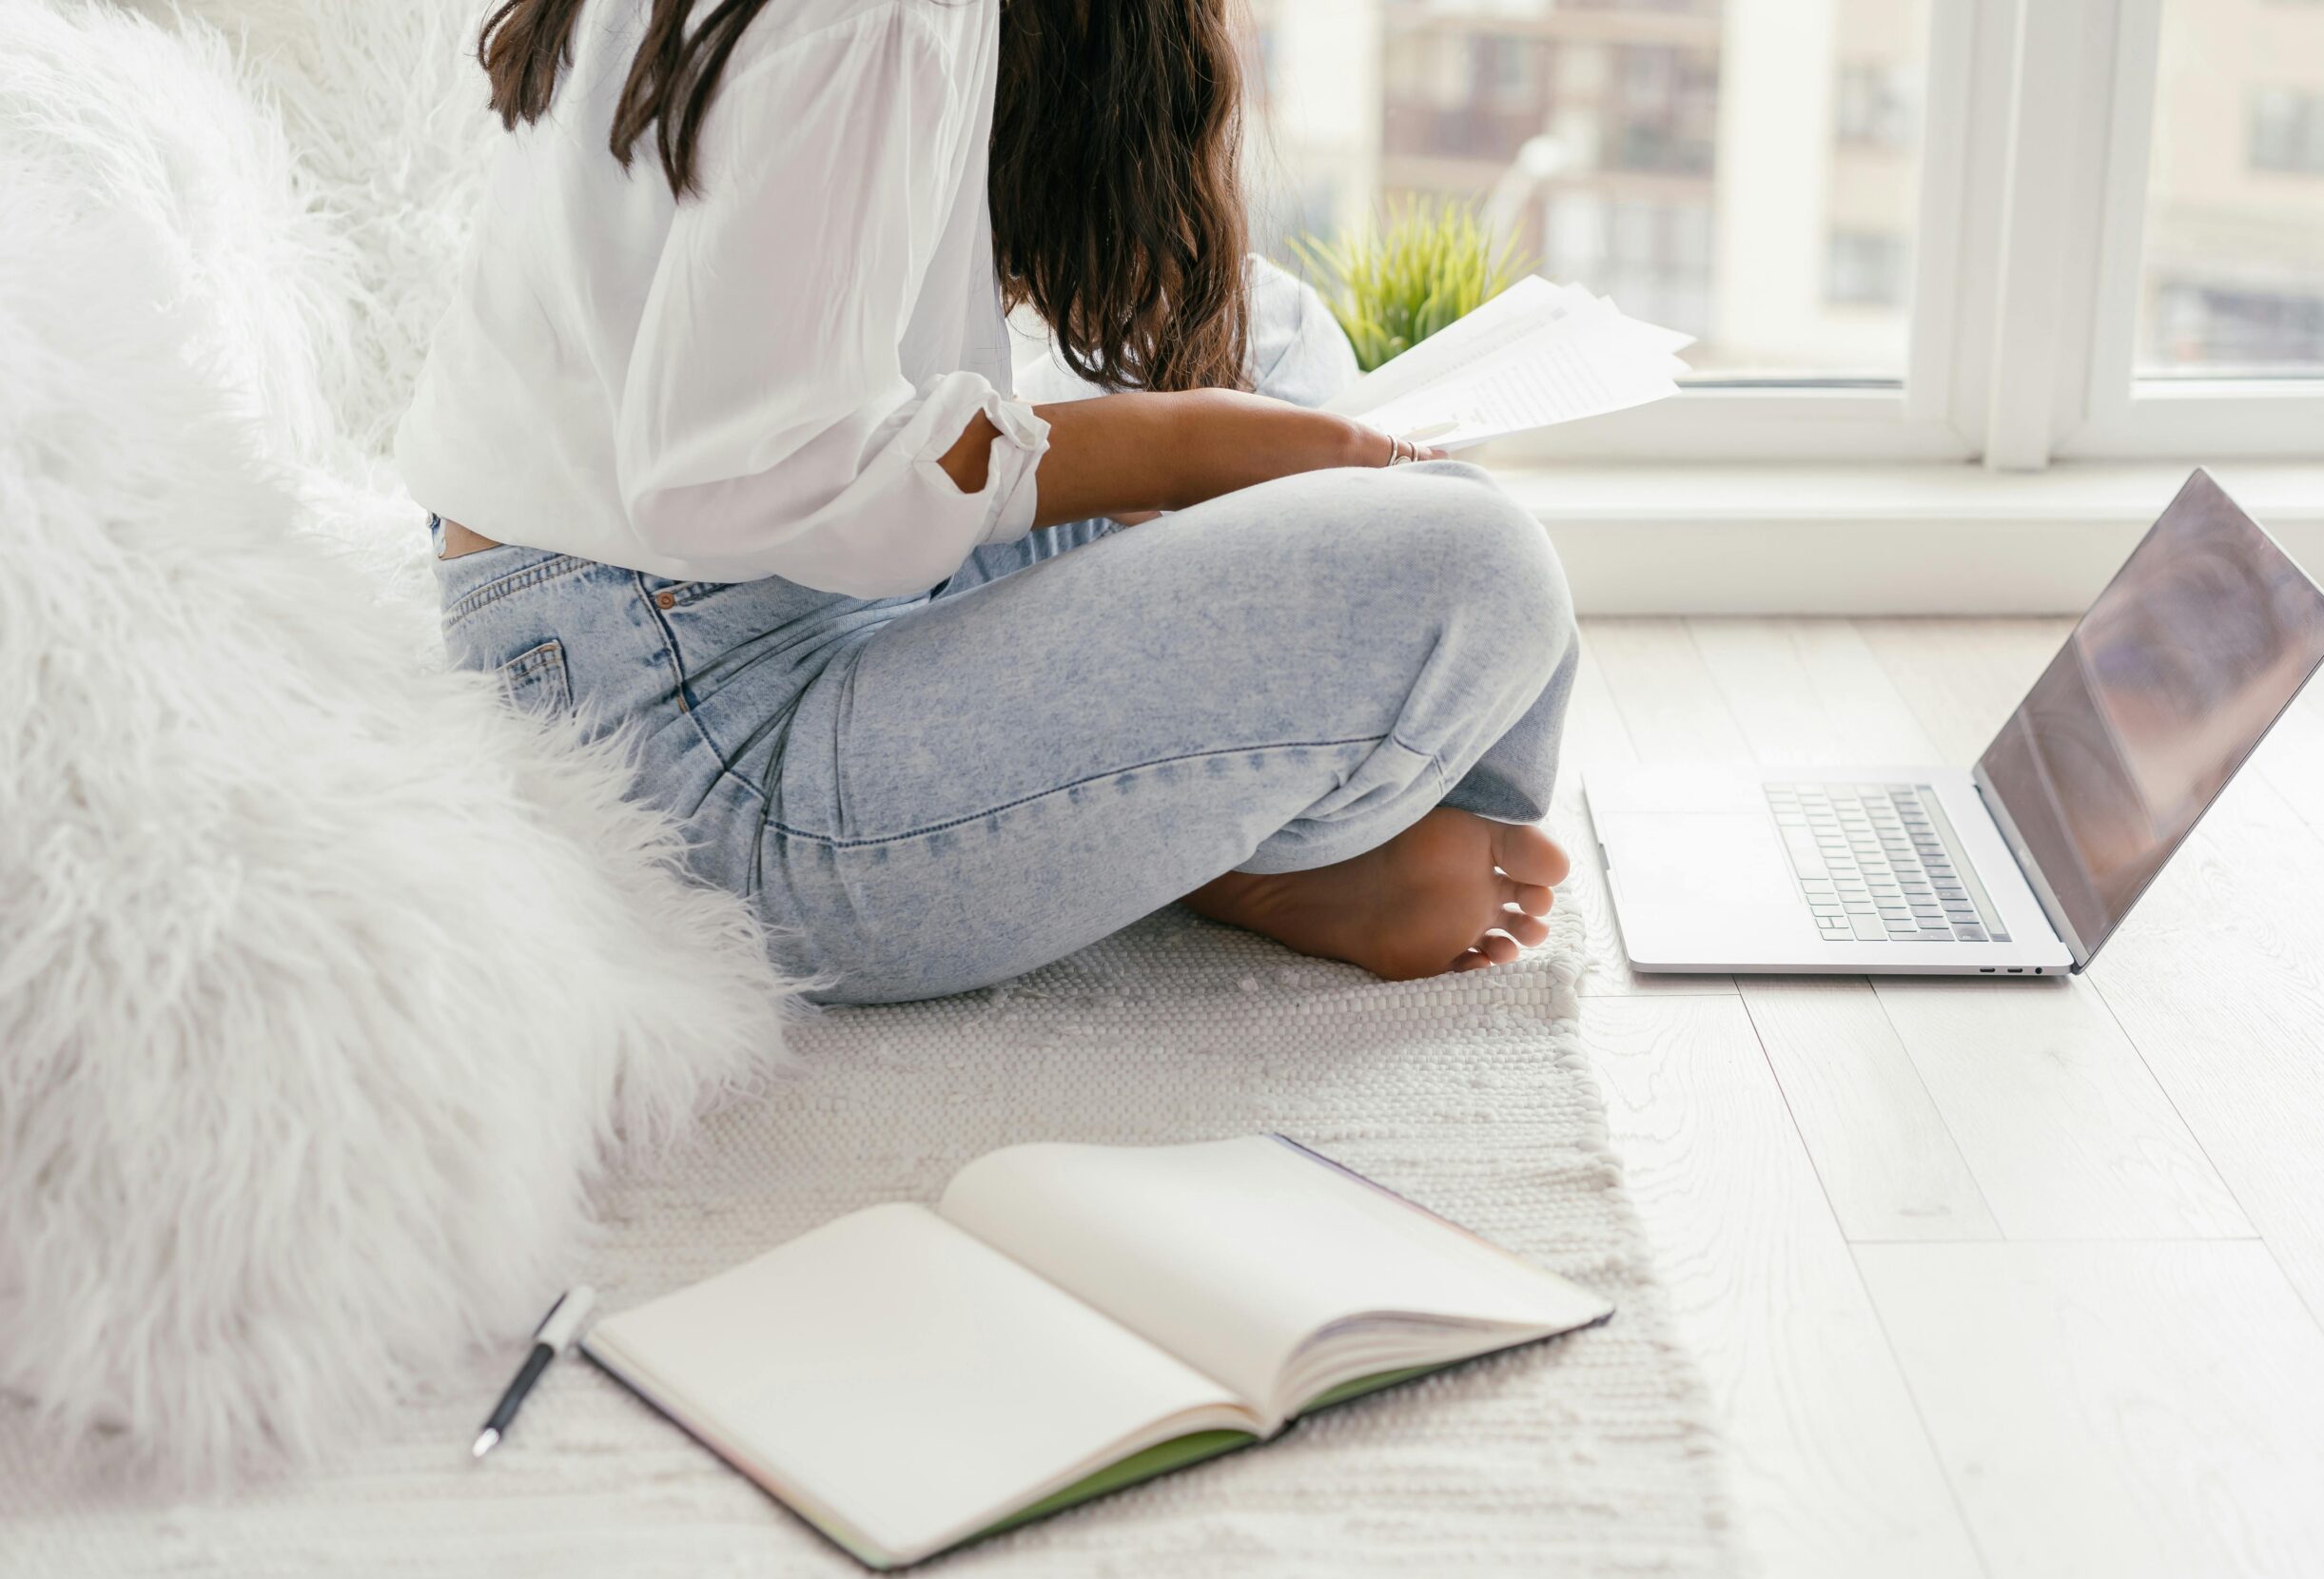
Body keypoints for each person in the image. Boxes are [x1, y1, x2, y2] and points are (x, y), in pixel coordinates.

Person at [398, 0, 1578, 1004]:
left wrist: (1198, 437)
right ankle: (1235, 851)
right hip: (692, 736)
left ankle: (1170, 815)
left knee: (1274, 338)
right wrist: (1169, 452)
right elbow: (738, 475)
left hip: (713, 595)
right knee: (1471, 562)